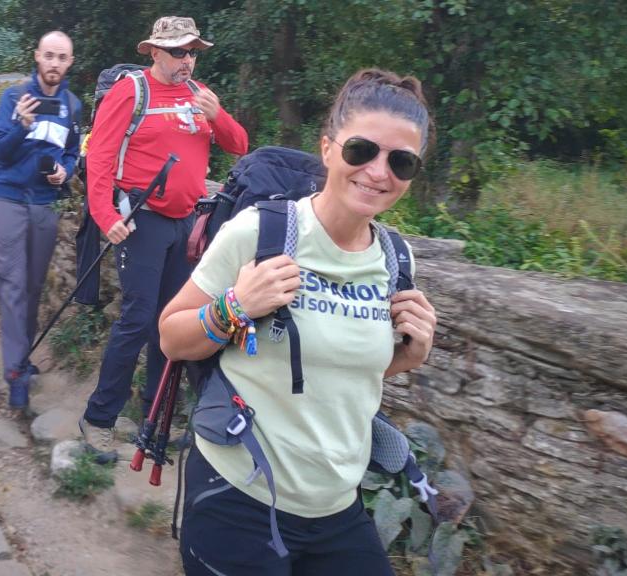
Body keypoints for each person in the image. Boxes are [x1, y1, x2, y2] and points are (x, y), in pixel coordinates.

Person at [158, 68, 438, 576]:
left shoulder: (396, 259)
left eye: (401, 161)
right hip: (238, 496)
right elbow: (171, 336)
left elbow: (334, 371)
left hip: (337, 506)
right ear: (328, 149)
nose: (379, 172)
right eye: (361, 150)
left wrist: (407, 357)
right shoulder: (260, 232)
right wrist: (235, 306)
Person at [80, 16, 248, 459]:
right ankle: (99, 419)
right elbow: (99, 158)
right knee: (137, 321)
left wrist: (218, 116)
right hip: (143, 220)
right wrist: (105, 216)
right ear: (154, 51)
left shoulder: (200, 94)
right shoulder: (130, 92)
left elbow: (239, 145)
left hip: (187, 223)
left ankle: (153, 421)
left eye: (192, 52)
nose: (186, 60)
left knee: (171, 325)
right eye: (177, 51)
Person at [0, 31, 81, 408]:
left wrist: (65, 171)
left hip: (44, 202)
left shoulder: (72, 106)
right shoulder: (13, 98)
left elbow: (73, 151)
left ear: (69, 62)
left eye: (62, 57)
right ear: (37, 56)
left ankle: (21, 357)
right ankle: (15, 374)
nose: (54, 63)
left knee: (33, 286)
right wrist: (21, 126)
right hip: (8, 197)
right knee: (12, 283)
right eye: (49, 56)